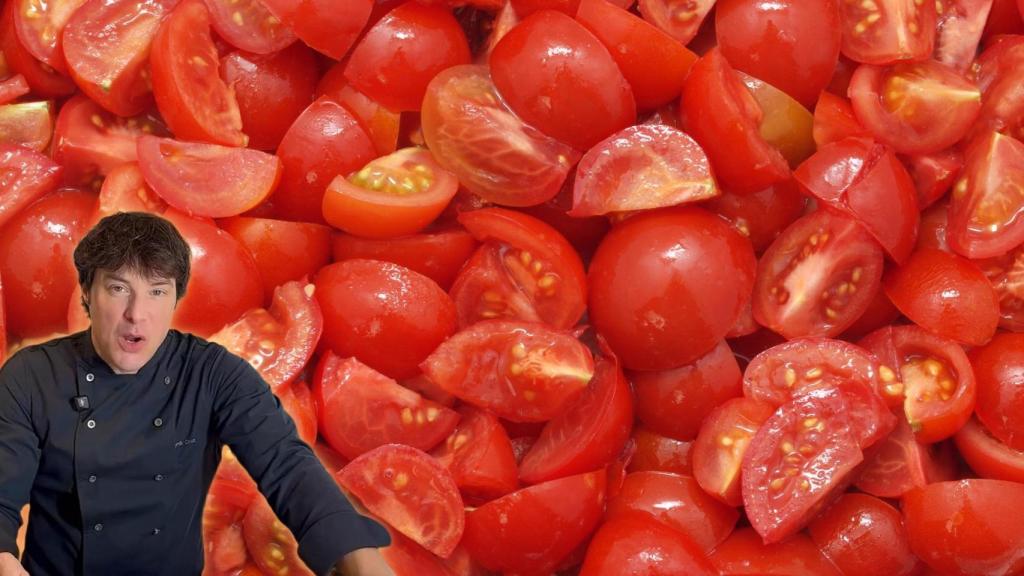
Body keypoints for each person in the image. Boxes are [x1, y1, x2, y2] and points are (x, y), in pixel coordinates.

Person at [0, 212, 394, 576]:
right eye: (118, 288)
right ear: (87, 292)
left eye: (157, 292)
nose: (137, 314)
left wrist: (360, 560)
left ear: (176, 298)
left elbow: (287, 465)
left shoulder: (211, 374)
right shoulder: (32, 376)